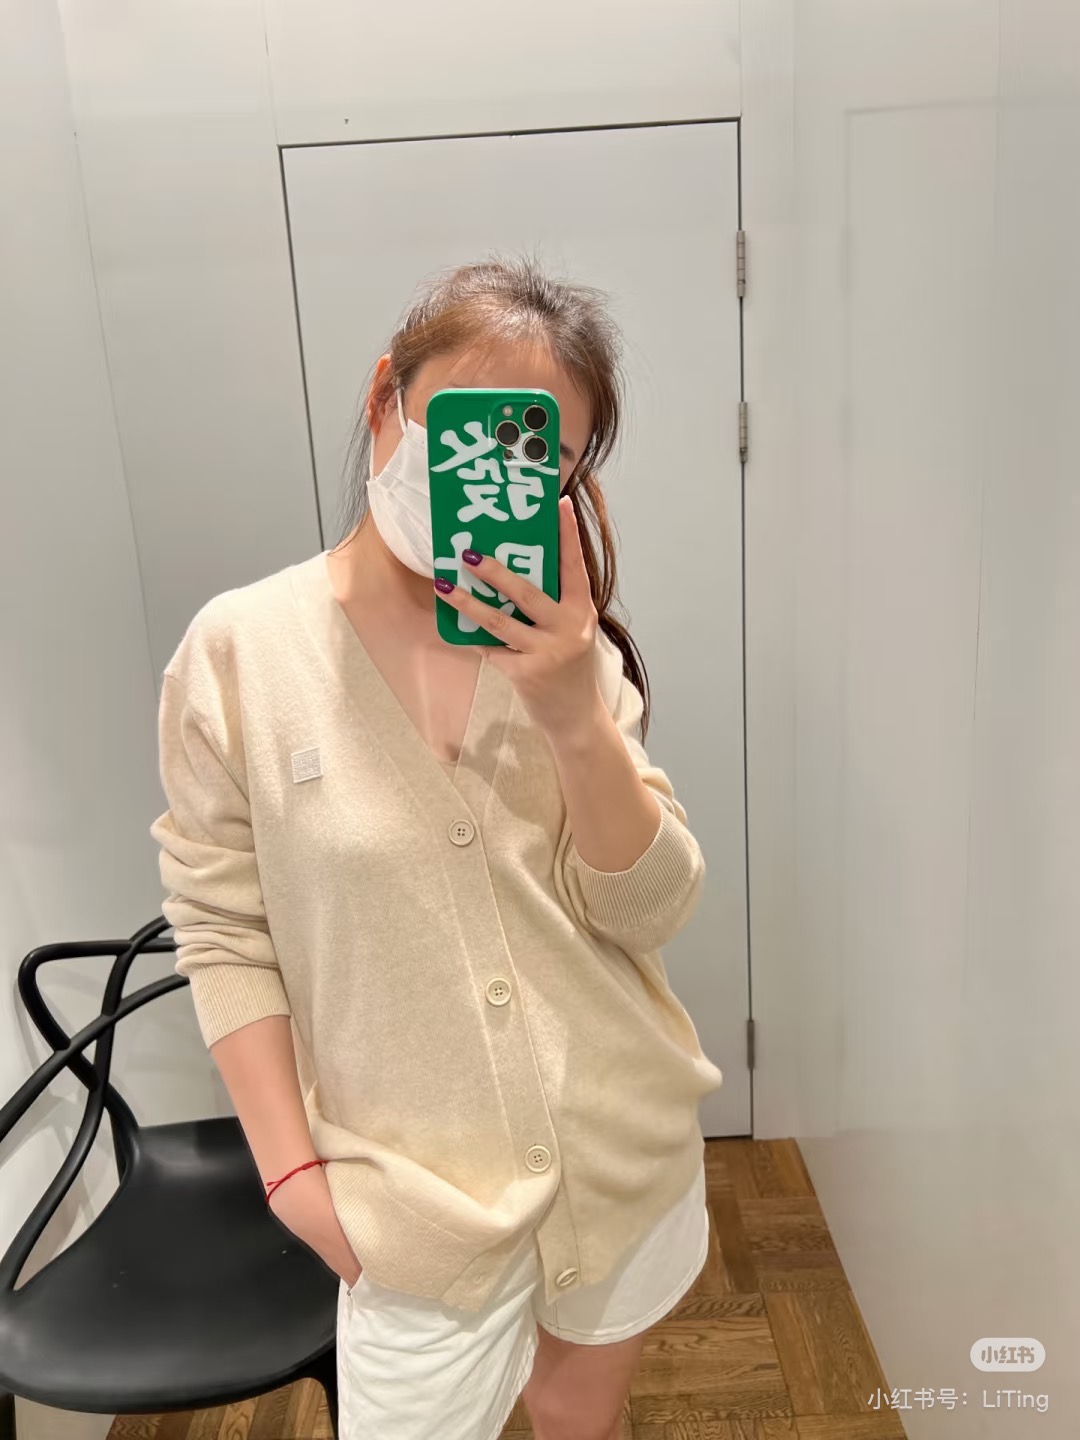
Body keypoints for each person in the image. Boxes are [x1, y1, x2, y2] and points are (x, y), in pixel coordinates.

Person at [150, 256, 724, 1440]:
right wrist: (291, 1175)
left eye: (536, 457)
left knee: (577, 1425)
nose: (494, 474)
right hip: (412, 1208)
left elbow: (652, 911)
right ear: (385, 401)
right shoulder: (240, 653)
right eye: (468, 430)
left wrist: (572, 714)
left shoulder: (568, 651)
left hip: (619, 1161)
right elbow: (222, 929)